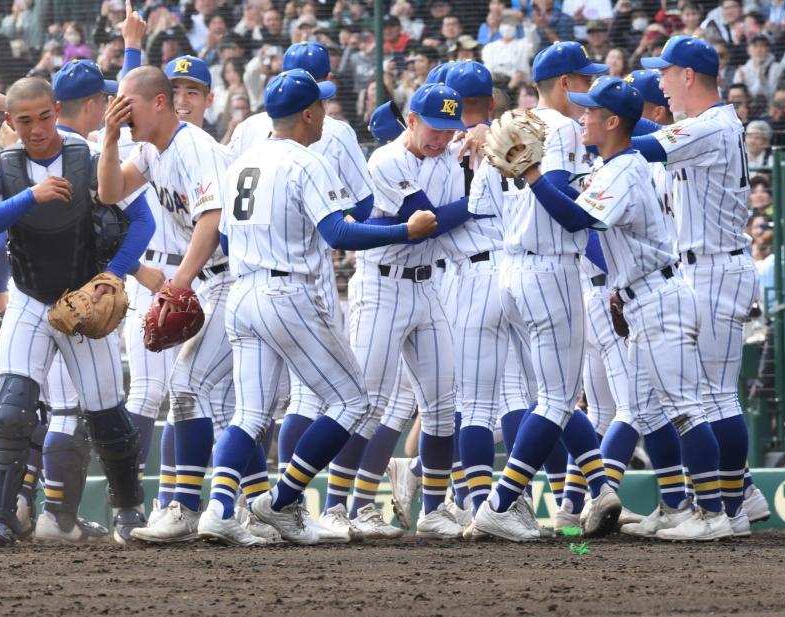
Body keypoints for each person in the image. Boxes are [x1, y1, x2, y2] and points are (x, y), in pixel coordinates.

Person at [197, 68, 436, 545]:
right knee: (352, 401)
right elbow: (340, 233)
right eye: (322, 107)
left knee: (250, 414)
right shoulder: (305, 161)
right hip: (287, 293)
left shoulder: (241, 161)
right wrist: (405, 230)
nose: (326, 114)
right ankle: (283, 502)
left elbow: (222, 233)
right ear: (308, 113)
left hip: (242, 293)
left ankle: (220, 510)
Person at [519, 75, 735, 541]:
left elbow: (578, 218)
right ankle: (681, 508)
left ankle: (712, 514)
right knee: (646, 409)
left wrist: (533, 176)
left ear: (612, 121)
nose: (582, 116)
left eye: (590, 111)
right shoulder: (616, 163)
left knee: (685, 409)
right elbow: (588, 209)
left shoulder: (623, 168)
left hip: (659, 298)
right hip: (642, 295)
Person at [0, 76, 155, 547]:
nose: (36, 129)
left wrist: (113, 274)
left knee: (107, 415)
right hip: (30, 297)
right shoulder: (2, 167)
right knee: (9, 410)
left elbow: (143, 221)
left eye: (44, 117)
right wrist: (31, 195)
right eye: (24, 120)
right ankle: (0, 518)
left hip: (82, 299)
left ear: (56, 110)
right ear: (10, 121)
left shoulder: (85, 158)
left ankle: (129, 511)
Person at [473, 42, 621, 542]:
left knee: (551, 396)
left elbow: (483, 207)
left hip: (511, 268)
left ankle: (600, 488)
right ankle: (499, 503)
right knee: (557, 397)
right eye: (585, 80)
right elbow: (559, 196)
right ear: (564, 83)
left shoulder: (509, 124)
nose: (590, 91)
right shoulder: (559, 127)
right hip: (550, 267)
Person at [96, 63, 232, 544]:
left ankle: (187, 505)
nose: (119, 113)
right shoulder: (152, 150)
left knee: (192, 386)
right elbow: (109, 193)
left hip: (232, 278)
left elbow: (212, 219)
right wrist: (110, 140)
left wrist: (179, 282)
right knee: (219, 400)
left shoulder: (194, 147)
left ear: (158, 104)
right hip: (209, 279)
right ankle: (234, 503)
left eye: (125, 106)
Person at [636, 35, 763, 538]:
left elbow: (640, 144)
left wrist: (592, 125)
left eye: (664, 72)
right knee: (704, 393)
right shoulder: (708, 125)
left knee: (714, 396)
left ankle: (727, 510)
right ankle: (738, 500)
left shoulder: (710, 126)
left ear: (688, 74)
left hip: (715, 267)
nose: (661, 82)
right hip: (702, 266)